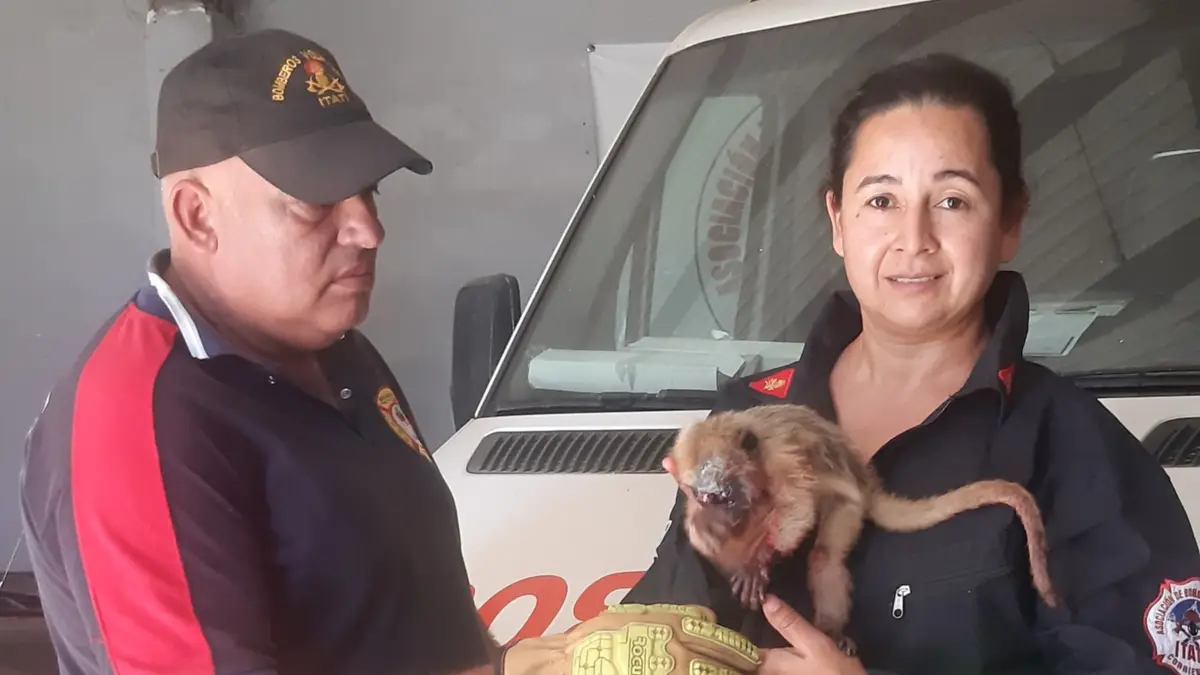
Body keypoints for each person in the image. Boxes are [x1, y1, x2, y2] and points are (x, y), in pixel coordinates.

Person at [16, 28, 765, 675]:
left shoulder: (340, 354)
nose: (368, 230)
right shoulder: (142, 424)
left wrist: (529, 660)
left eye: (369, 190)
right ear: (196, 214)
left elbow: (406, 616)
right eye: (316, 200)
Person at [623, 52, 1200, 674]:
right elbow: (663, 636)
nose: (914, 238)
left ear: (1009, 221)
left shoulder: (1073, 447)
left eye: (952, 200)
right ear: (837, 221)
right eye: (881, 201)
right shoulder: (745, 418)